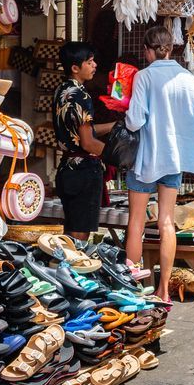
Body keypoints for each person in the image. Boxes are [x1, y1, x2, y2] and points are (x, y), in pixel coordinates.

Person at [124, 27, 194, 302]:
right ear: (171, 48)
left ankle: (134, 289)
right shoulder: (188, 78)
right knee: (167, 222)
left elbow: (135, 120)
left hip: (147, 157)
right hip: (174, 159)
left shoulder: (144, 77)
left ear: (148, 50)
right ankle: (164, 289)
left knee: (136, 222)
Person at [53, 42, 114, 242]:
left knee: (70, 233)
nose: (95, 65)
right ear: (75, 68)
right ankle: (74, 271)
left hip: (66, 170)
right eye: (89, 62)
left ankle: (64, 270)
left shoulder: (61, 91)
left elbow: (80, 132)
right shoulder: (82, 95)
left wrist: (113, 126)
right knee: (79, 237)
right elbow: (88, 143)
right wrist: (116, 155)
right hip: (84, 172)